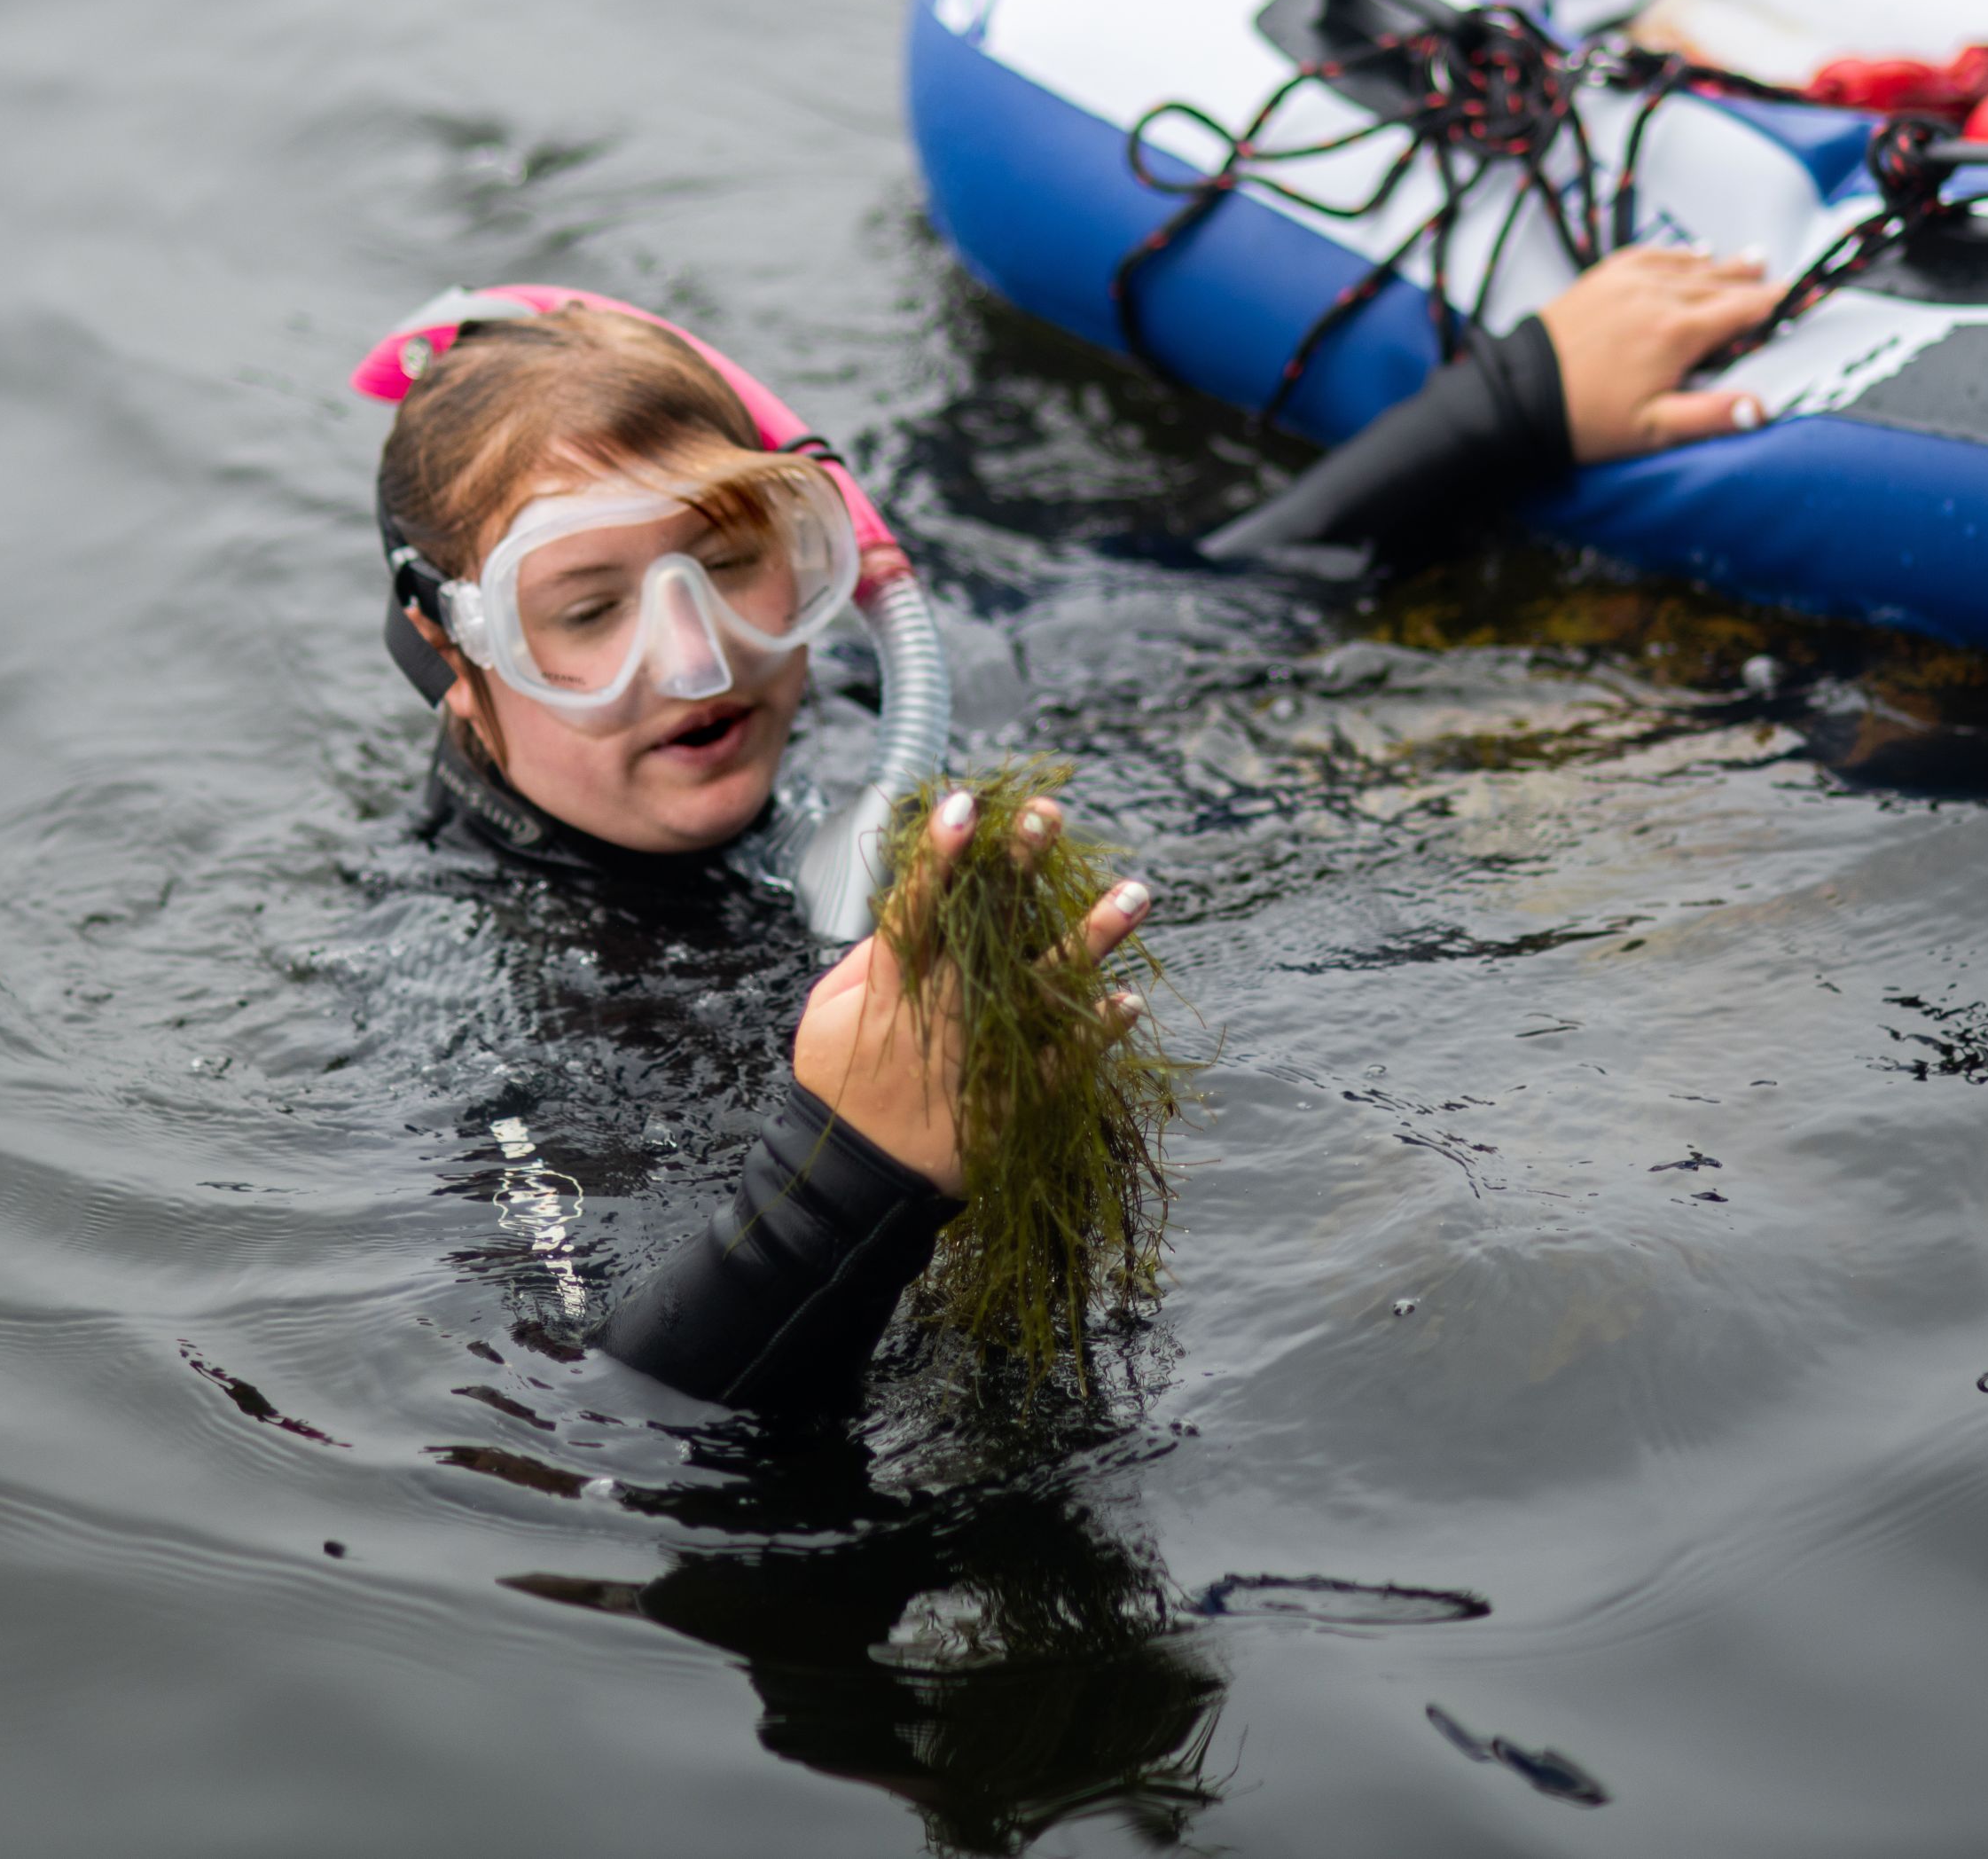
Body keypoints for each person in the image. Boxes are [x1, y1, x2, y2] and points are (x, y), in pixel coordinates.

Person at [362, 247, 1787, 1414]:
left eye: (737, 562)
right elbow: (612, 1422)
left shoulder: (866, 701)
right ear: (455, 655)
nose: (696, 661)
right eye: (590, 611)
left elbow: (1218, 618)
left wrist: (1511, 407)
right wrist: (846, 1172)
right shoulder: (479, 1001)